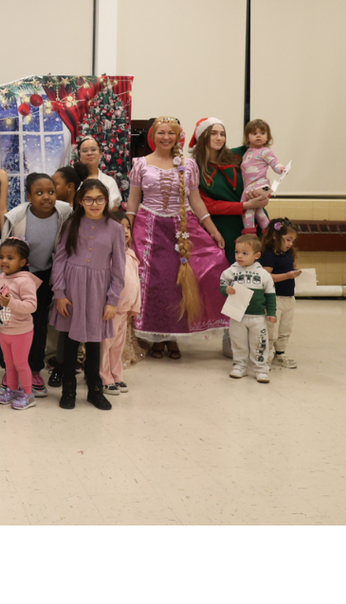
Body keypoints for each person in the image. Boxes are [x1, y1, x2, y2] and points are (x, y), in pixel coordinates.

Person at [125, 116, 228, 359]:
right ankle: (156, 338)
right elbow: (133, 199)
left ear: (178, 136)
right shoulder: (140, 163)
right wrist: (127, 228)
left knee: (180, 282)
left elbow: (195, 199)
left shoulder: (188, 165)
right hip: (148, 228)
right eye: (161, 132)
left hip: (181, 227)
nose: (166, 137)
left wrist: (212, 229)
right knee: (152, 283)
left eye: (171, 133)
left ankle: (174, 339)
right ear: (153, 136)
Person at [50, 179, 125, 411]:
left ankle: (95, 390)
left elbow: (119, 268)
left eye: (99, 199)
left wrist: (112, 300)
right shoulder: (71, 224)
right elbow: (60, 259)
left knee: (94, 343)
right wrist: (59, 293)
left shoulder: (116, 229)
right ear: (81, 201)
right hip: (71, 290)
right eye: (89, 199)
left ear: (107, 200)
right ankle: (68, 389)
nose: (95, 204)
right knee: (70, 342)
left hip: (98, 292)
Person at [2, 172, 72, 394]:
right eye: (39, 193)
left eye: (51, 192)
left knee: (39, 324)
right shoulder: (16, 217)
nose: (46, 197)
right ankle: (11, 370)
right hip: (19, 276)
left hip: (44, 276)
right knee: (14, 324)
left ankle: (33, 369)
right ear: (29, 196)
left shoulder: (65, 213)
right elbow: (5, 249)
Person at [190, 117, 270, 266]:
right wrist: (244, 206)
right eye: (213, 133)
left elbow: (259, 175)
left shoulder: (239, 155)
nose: (219, 138)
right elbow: (208, 205)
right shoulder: (195, 168)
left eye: (222, 134)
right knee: (236, 273)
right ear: (202, 136)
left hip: (255, 222)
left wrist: (264, 195)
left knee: (265, 269)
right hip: (226, 229)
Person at [0, 237, 40, 410]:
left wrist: (11, 303)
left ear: (22, 262)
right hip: (4, 331)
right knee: (9, 364)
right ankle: (13, 389)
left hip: (21, 332)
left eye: (10, 258)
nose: (4, 261)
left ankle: (28, 395)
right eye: (2, 257)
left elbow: (31, 306)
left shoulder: (25, 281)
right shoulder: (1, 277)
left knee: (21, 364)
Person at [220, 234, 277, 383]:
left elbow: (270, 295)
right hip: (237, 316)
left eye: (245, 253)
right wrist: (226, 290)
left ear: (256, 255)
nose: (239, 256)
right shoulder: (230, 271)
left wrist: (271, 312)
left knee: (259, 343)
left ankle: (261, 369)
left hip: (258, 317)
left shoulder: (263, 274)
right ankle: (239, 366)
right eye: (237, 252)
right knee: (238, 342)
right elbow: (222, 286)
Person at [102, 209, 142, 395]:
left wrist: (135, 305)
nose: (125, 231)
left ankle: (117, 376)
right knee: (105, 345)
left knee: (118, 346)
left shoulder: (131, 254)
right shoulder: (107, 255)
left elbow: (136, 283)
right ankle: (104, 377)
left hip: (125, 310)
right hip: (110, 310)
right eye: (120, 227)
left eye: (128, 227)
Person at [260, 217, 301, 369]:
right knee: (271, 330)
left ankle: (280, 354)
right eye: (288, 240)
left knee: (285, 327)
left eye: (292, 241)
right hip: (274, 298)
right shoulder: (269, 255)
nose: (290, 244)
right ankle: (264, 357)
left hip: (288, 297)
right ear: (275, 236)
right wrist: (287, 275)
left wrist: (294, 271)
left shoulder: (288, 253)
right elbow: (265, 277)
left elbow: (289, 267)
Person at [240, 119, 287, 234]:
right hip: (254, 186)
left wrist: (281, 169)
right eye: (254, 133)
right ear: (247, 137)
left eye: (262, 133)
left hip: (259, 185)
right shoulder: (248, 152)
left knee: (246, 207)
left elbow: (274, 162)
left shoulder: (265, 151)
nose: (258, 136)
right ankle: (268, 231)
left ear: (268, 137)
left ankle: (249, 233)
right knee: (257, 209)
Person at [74, 135, 122, 210]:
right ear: (79, 156)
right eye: (85, 151)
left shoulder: (109, 181)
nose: (89, 153)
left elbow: (114, 211)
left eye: (93, 149)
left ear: (100, 153)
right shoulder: (73, 179)